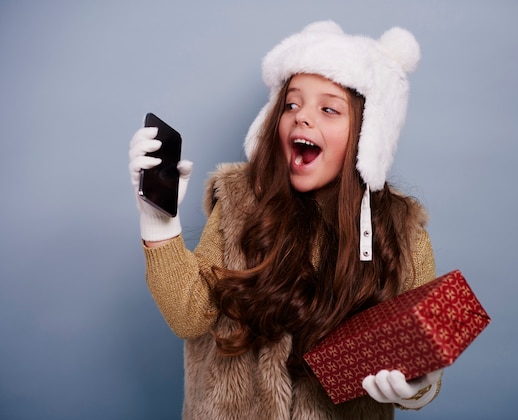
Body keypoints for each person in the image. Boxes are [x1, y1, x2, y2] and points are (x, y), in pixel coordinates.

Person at [128, 21, 443, 419]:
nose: (301, 118)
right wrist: (158, 222)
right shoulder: (240, 202)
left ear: (368, 136)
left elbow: (423, 351)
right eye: (292, 104)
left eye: (329, 109)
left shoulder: (402, 233)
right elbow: (189, 314)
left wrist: (419, 384)